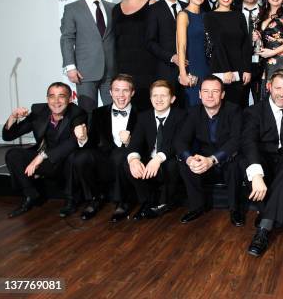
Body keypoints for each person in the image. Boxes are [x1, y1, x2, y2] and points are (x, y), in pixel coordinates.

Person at [4, 82, 87, 218]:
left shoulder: (77, 113)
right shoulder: (39, 111)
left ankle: (71, 200)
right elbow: (8, 136)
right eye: (52, 96)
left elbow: (73, 143)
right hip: (46, 162)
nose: (56, 101)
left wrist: (41, 156)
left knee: (73, 156)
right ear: (47, 99)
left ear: (70, 98)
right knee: (13, 154)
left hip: (64, 161)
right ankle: (30, 195)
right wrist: (13, 117)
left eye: (61, 96)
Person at [241, 69, 283, 256]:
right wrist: (257, 174)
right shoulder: (254, 112)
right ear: (268, 87)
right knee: (249, 166)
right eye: (277, 88)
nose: (281, 93)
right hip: (262, 158)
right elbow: (248, 142)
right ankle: (268, 219)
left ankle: (263, 229)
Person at [175, 76, 244, 226]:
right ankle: (197, 207)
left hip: (226, 157)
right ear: (199, 94)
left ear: (222, 95)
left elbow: (235, 141)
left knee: (236, 164)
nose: (210, 95)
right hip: (204, 156)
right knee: (185, 163)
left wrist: (212, 159)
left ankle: (235, 209)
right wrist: (190, 159)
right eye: (205, 91)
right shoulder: (193, 112)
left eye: (215, 91)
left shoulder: (234, 110)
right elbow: (180, 141)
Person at [67, 74, 138, 221]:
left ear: (132, 93)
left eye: (125, 90)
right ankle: (95, 198)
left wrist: (131, 141)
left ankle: (122, 202)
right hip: (105, 162)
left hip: (129, 164)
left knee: (120, 154)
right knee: (81, 157)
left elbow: (147, 143)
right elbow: (91, 143)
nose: (121, 95)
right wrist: (83, 138)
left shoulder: (141, 114)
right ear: (110, 92)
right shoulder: (98, 113)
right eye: (117, 90)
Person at [122, 80, 187, 220]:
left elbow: (177, 143)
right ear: (150, 98)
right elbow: (136, 142)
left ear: (172, 99)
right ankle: (147, 201)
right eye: (155, 96)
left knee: (171, 165)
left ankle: (165, 202)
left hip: (170, 157)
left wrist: (158, 158)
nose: (158, 99)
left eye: (163, 95)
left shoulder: (181, 116)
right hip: (150, 157)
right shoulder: (144, 117)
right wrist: (133, 159)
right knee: (129, 164)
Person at [60, 0, 115, 113]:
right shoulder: (72, 9)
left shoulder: (112, 8)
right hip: (85, 73)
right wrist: (70, 67)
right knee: (87, 114)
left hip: (110, 72)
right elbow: (67, 38)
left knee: (112, 114)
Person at [204, 0, 252, 107]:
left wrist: (247, 69)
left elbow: (246, 43)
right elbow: (216, 44)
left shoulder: (239, 15)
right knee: (223, 109)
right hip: (221, 68)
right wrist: (226, 70)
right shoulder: (209, 16)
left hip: (240, 70)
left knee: (241, 108)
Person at [113, 0, 156, 111]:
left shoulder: (152, 5)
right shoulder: (116, 9)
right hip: (123, 67)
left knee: (147, 109)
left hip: (147, 67)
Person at [146, 0, 188, 106]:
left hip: (190, 69)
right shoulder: (153, 10)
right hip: (166, 71)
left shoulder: (188, 7)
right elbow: (150, 42)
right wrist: (172, 57)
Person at [176, 0, 210, 107]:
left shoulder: (206, 15)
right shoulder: (183, 15)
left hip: (207, 67)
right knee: (193, 107)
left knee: (207, 107)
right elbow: (181, 46)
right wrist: (183, 73)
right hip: (192, 69)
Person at [240, 0, 262, 104]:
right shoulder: (232, 12)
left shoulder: (266, 12)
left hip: (260, 66)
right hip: (239, 66)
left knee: (261, 105)